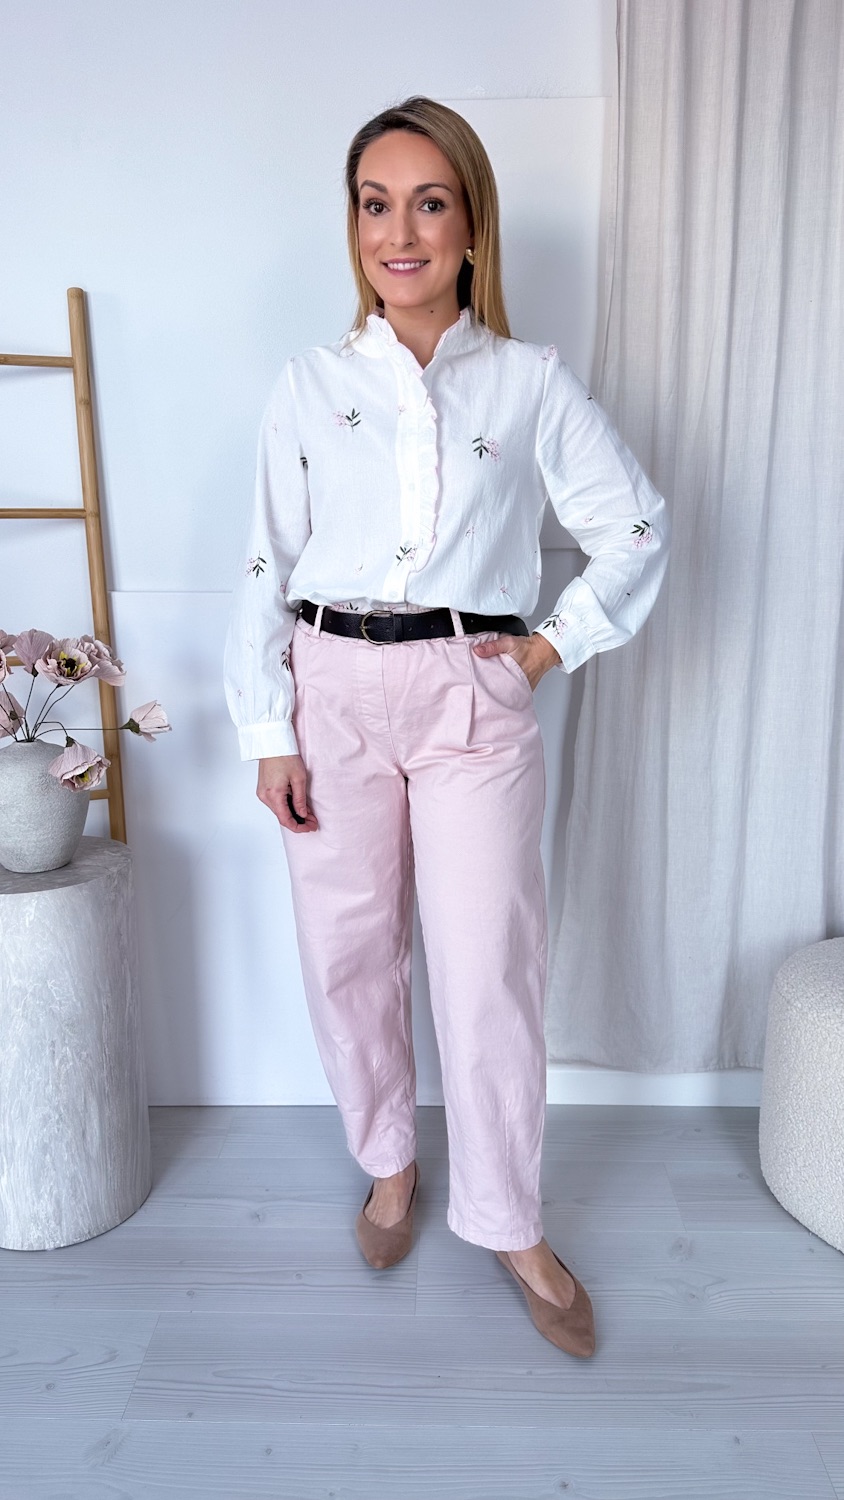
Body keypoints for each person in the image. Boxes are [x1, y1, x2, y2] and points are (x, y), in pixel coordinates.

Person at [223, 95, 669, 1358]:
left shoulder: (529, 384)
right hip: (329, 686)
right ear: (354, 225)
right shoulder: (310, 386)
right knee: (346, 954)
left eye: (429, 203)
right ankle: (388, 1163)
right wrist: (268, 727)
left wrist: (546, 646)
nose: (399, 232)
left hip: (473, 696)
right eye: (376, 204)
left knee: (488, 970)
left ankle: (509, 1220)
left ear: (472, 227)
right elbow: (263, 562)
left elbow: (635, 525)